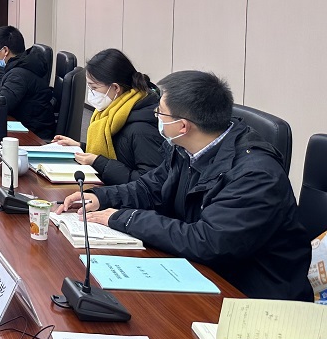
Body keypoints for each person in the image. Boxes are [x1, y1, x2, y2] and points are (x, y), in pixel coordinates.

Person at [56, 71, 312, 301]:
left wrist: (125, 218)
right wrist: (102, 197)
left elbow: (208, 241)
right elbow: (152, 186)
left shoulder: (256, 175)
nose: (156, 117)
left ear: (183, 126)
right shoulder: (185, 146)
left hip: (253, 297)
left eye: (160, 113)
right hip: (203, 274)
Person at [50, 48, 167, 184]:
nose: (91, 93)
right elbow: (119, 152)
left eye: (94, 88)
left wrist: (99, 163)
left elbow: (151, 183)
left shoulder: (141, 129)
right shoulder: (113, 112)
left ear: (116, 88)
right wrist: (81, 147)